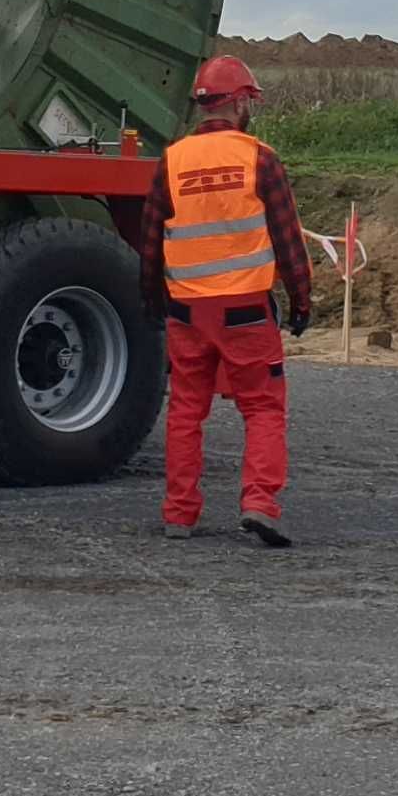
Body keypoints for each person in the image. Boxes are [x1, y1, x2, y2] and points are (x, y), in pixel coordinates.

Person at [145, 55, 315, 546]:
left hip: (187, 312)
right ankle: (259, 503)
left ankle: (179, 514)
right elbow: (287, 241)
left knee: (185, 411)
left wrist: (152, 301)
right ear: (240, 102)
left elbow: (151, 240)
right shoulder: (259, 158)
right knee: (262, 409)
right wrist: (301, 300)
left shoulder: (172, 160)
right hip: (245, 311)